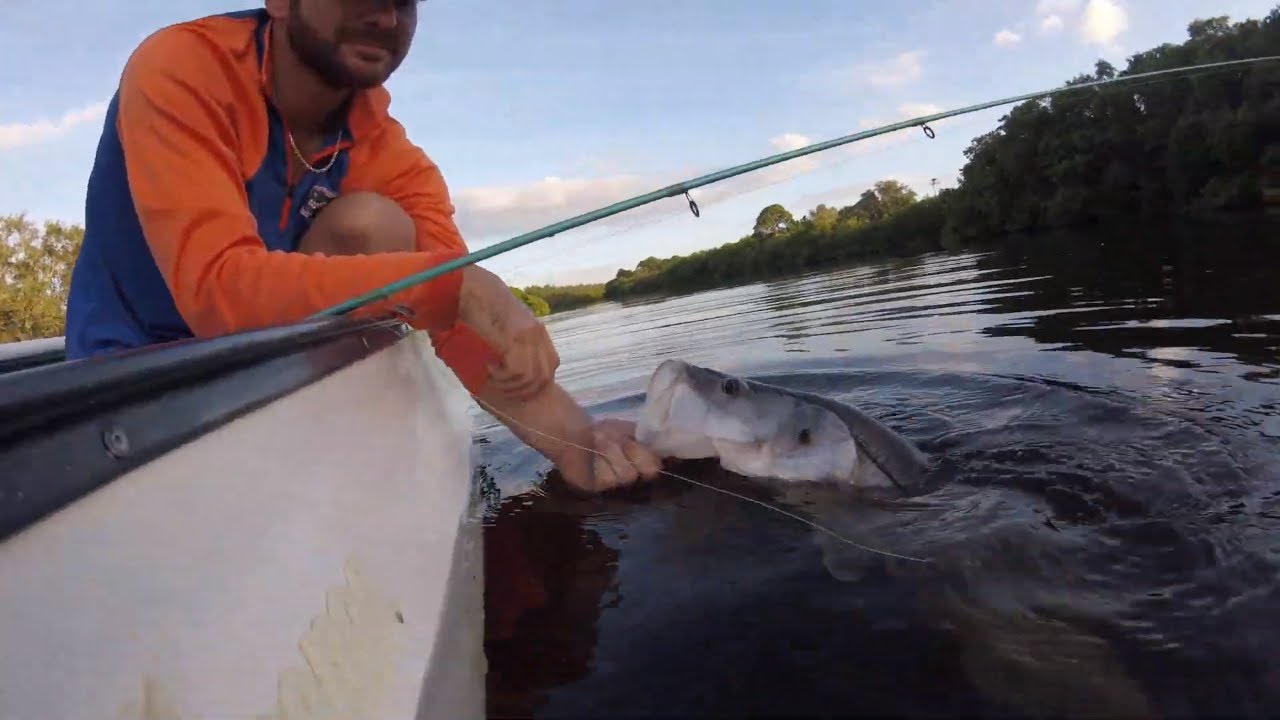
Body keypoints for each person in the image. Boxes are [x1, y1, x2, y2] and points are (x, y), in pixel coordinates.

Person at [62, 0, 662, 493]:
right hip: (132, 384)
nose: (384, 14)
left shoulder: (392, 156)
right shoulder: (182, 67)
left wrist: (578, 440)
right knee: (407, 253)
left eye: (405, 0)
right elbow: (218, 289)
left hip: (282, 375)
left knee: (375, 225)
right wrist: (463, 285)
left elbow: (455, 319)